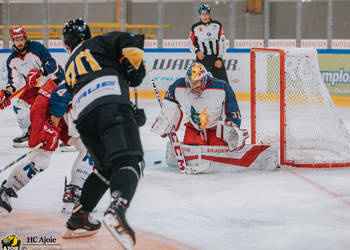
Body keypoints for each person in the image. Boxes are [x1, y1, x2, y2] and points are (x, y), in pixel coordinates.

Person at [61, 18, 146, 249]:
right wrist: (135, 64)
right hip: (109, 101)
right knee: (129, 161)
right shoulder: (97, 43)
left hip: (83, 117)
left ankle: (81, 215)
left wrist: (128, 110)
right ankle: (117, 207)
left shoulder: (70, 64)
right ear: (86, 36)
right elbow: (129, 42)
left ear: (67, 45)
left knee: (105, 169)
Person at [0, 81, 94, 215]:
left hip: (62, 114)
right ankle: (5, 192)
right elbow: (60, 93)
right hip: (48, 108)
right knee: (41, 159)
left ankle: (73, 192)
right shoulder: (91, 79)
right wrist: (51, 125)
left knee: (90, 149)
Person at [151, 62, 248, 154]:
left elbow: (232, 111)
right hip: (193, 128)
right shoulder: (178, 86)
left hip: (216, 129)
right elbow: (170, 106)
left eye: (196, 82)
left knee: (219, 149)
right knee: (191, 148)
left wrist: (232, 130)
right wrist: (165, 122)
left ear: (204, 78)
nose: (192, 86)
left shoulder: (222, 87)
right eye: (190, 82)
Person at [0, 26, 65, 147]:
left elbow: (52, 64)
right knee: (18, 103)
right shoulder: (12, 60)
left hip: (54, 81)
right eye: (16, 40)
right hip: (38, 86)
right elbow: (14, 82)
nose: (19, 43)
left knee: (56, 107)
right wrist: (6, 93)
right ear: (13, 41)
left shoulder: (37, 47)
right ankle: (28, 133)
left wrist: (39, 72)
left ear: (25, 38)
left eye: (21, 39)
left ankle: (69, 136)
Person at [188, 3, 229, 83]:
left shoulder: (217, 25)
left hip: (215, 59)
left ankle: (227, 96)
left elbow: (222, 42)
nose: (205, 16)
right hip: (202, 59)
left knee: (224, 84)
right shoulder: (195, 27)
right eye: (202, 14)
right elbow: (190, 42)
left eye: (206, 14)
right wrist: (197, 51)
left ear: (209, 14)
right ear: (199, 16)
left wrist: (220, 58)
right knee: (195, 82)